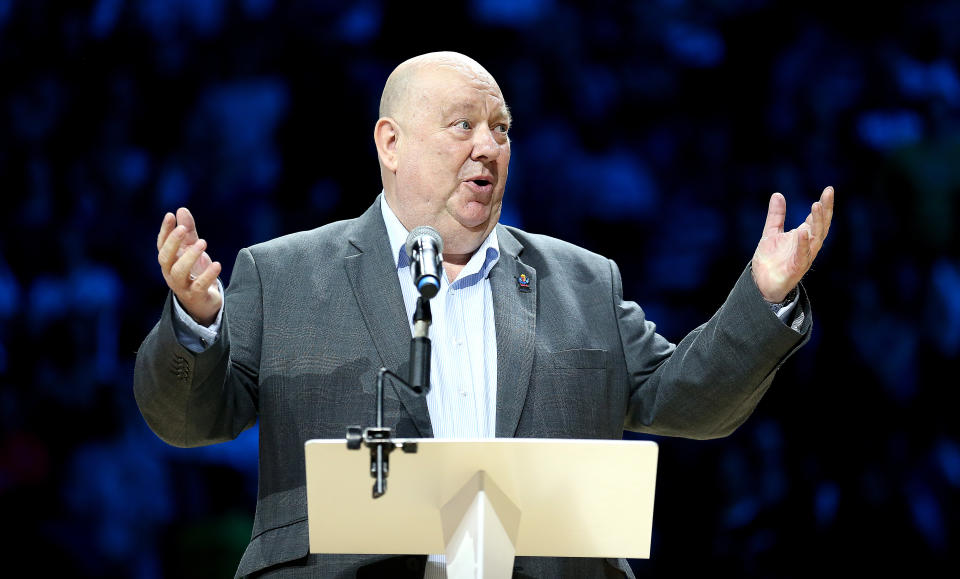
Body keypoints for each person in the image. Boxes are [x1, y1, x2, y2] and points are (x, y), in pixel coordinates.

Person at [135, 52, 834, 578]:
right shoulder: (283, 275)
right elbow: (191, 420)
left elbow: (691, 399)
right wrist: (196, 326)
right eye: (462, 124)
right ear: (390, 143)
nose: (488, 146)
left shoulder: (584, 282)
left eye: (501, 128)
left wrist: (763, 296)